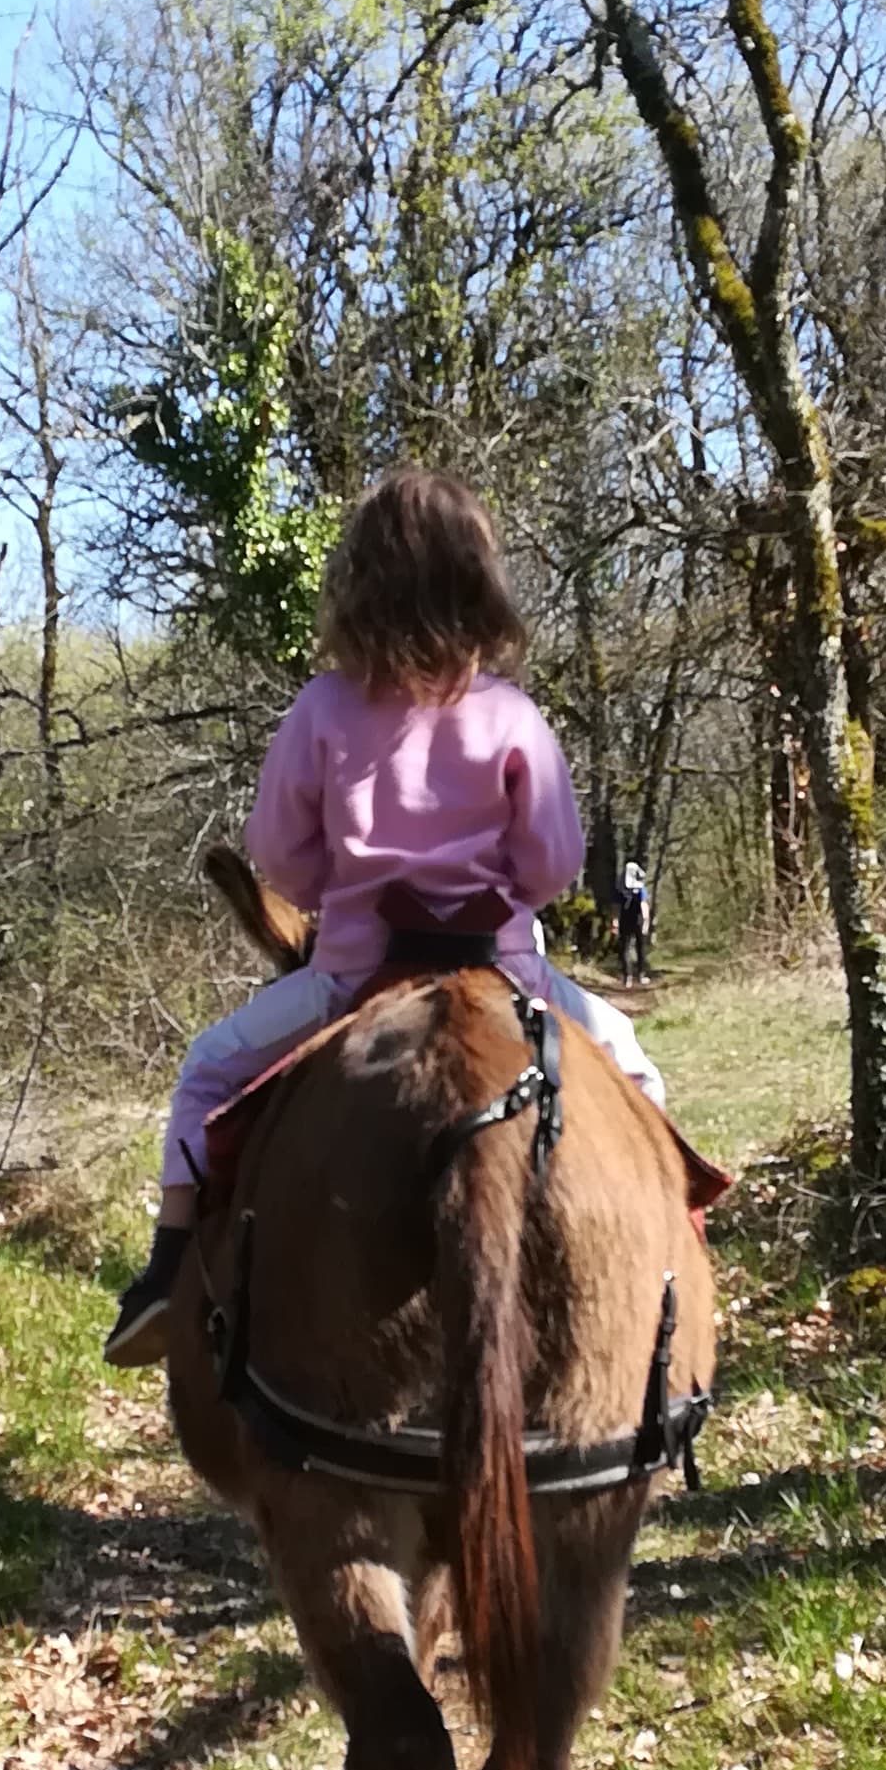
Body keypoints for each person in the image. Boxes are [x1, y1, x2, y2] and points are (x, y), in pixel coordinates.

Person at [106, 467, 669, 1363]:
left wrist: (334, 885)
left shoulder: (323, 708)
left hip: (354, 977)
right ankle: (664, 1264)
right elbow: (553, 865)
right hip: (506, 972)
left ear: (357, 583)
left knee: (207, 1071)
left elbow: (281, 854)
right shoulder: (512, 715)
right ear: (478, 583)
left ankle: (166, 1276)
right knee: (634, 1073)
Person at [616, 854, 654, 986]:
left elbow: (616, 906)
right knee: (640, 948)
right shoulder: (640, 889)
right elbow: (644, 906)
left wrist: (615, 920)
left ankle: (628, 977)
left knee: (625, 948)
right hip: (638, 920)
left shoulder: (620, 889)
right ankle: (642, 975)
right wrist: (646, 922)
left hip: (625, 920)